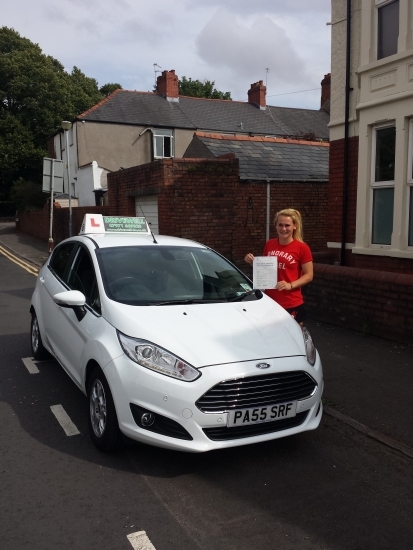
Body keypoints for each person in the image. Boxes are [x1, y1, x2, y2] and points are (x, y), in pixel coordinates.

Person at [244, 208, 313, 325]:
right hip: (270, 300)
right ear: (276, 226)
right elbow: (266, 270)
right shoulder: (270, 244)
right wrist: (254, 263)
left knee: (295, 338)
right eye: (280, 225)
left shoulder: (302, 248)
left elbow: (309, 275)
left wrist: (290, 285)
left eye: (287, 225)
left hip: (291, 302)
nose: (283, 229)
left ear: (294, 226)